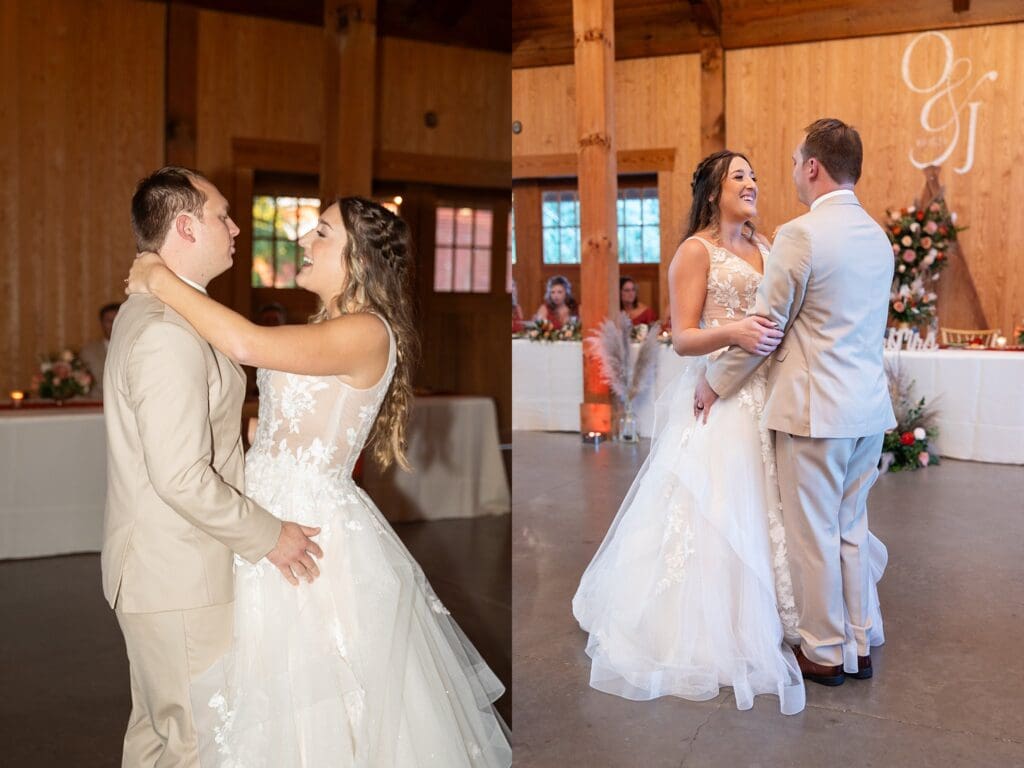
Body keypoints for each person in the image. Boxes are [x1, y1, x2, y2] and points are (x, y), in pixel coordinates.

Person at [126, 179, 511, 765]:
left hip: (306, 526)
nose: (305, 237)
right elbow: (279, 427)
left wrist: (160, 281)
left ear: (358, 257)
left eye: (323, 232)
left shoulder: (364, 330)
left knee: (313, 700)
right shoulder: (324, 326)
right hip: (266, 507)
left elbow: (247, 344)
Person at [572, 142, 886, 716]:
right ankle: (749, 627)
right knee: (736, 510)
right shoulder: (696, 252)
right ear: (713, 192)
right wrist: (735, 334)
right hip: (728, 397)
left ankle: (805, 625)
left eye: (757, 174)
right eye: (739, 176)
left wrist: (755, 339)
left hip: (779, 396)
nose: (752, 184)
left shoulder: (774, 244)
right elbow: (682, 335)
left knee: (793, 517)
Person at [102, 167, 323, 767]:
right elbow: (179, 475)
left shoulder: (165, 315)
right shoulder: (166, 332)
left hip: (165, 568)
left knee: (157, 737)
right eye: (222, 216)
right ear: (184, 226)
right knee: (196, 744)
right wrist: (268, 535)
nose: (235, 227)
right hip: (177, 572)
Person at [696, 119, 895, 686]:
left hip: (816, 412)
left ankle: (825, 653)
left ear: (812, 166)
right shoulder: (876, 237)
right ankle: (859, 641)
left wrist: (716, 381)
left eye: (791, 163)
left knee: (811, 535)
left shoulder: (800, 234)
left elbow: (766, 326)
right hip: (867, 410)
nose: (788, 175)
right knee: (850, 528)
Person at [79, 302, 120, 399]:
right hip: (95, 406)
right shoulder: (88, 352)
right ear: (102, 323)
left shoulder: (136, 350)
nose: (113, 324)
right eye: (109, 321)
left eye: (117, 320)